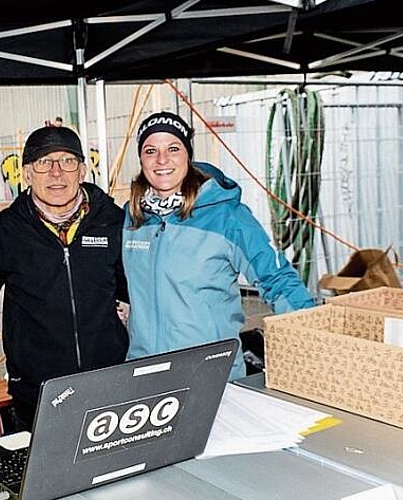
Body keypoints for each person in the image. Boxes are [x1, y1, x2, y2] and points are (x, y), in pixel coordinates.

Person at [122, 111, 314, 380]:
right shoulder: (132, 218)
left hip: (209, 376)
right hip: (145, 374)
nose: (162, 160)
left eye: (173, 148)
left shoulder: (227, 216)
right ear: (141, 159)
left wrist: (314, 335)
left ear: (187, 155)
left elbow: (277, 279)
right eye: (150, 150)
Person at [0, 126, 128, 430]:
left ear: (83, 170)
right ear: (26, 174)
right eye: (43, 163)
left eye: (67, 161)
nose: (56, 173)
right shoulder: (7, 230)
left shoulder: (111, 221)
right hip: (38, 391)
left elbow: (132, 286)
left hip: (109, 383)